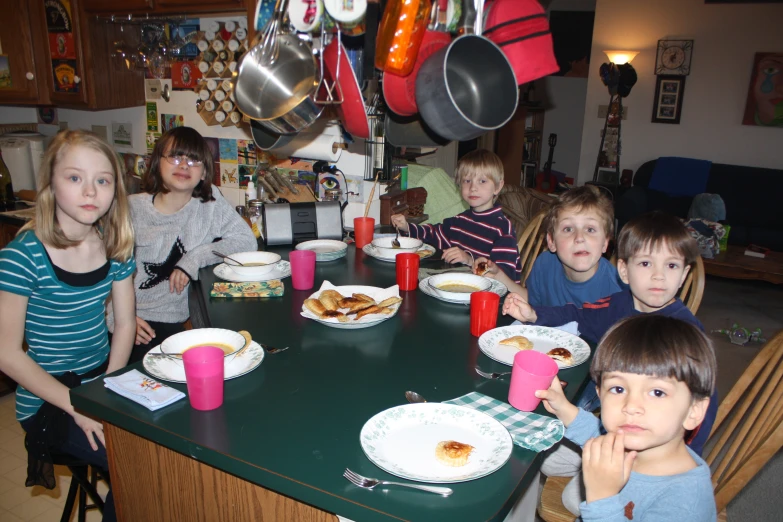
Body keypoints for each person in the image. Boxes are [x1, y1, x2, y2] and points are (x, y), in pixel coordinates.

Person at [0, 130, 137, 522]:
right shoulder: (22, 257)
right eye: (75, 178)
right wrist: (80, 406)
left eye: (103, 180)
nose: (90, 191)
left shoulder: (115, 244)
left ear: (115, 189)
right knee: (135, 462)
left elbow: (125, 324)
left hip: (99, 382)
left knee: (165, 446)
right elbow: (7, 354)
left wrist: (108, 392)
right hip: (48, 398)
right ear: (50, 184)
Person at [535, 315, 717, 520]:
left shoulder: (686, 503)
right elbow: (598, 434)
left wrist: (601, 498)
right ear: (600, 394)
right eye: (618, 388)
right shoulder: (640, 439)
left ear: (694, 411)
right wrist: (564, 409)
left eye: (657, 392)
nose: (631, 406)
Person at [108, 126, 256, 364]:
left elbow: (246, 241)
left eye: (194, 160)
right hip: (129, 320)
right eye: (175, 157)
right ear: (157, 163)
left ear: (205, 172)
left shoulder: (211, 204)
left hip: (170, 322)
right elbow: (102, 271)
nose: (184, 165)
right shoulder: (130, 209)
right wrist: (119, 319)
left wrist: (193, 259)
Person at [474, 185, 623, 303]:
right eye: (568, 229)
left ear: (605, 243)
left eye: (590, 229)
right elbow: (531, 302)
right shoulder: (544, 264)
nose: (579, 237)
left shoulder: (617, 288)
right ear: (551, 242)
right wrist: (498, 275)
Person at [391, 149, 522, 283]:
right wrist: (407, 227)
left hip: (490, 298)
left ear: (498, 187)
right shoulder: (460, 220)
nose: (473, 188)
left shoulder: (502, 229)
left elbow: (502, 278)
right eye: (467, 180)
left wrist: (470, 261)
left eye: (482, 181)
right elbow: (433, 234)